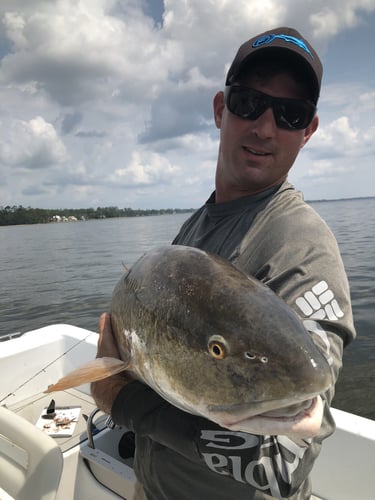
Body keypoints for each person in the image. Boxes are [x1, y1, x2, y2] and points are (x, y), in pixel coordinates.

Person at [92, 27, 356, 499]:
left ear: (309, 130)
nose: (265, 127)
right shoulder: (196, 227)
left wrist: (120, 399)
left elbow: (283, 464)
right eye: (249, 102)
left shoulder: (301, 248)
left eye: (291, 114)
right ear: (220, 108)